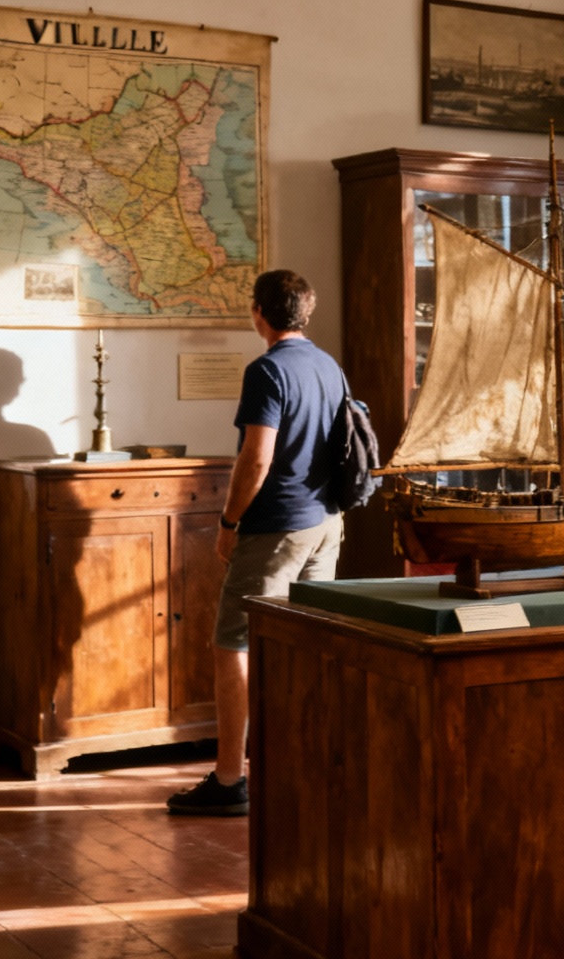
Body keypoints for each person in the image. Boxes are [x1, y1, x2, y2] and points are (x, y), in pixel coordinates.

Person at [168, 270, 346, 816]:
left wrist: (228, 523)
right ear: (305, 312)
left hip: (276, 528)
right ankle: (308, 763)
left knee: (234, 646)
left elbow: (257, 457)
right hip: (327, 522)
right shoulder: (328, 366)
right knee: (304, 645)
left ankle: (228, 781)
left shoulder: (267, 369)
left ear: (259, 313)